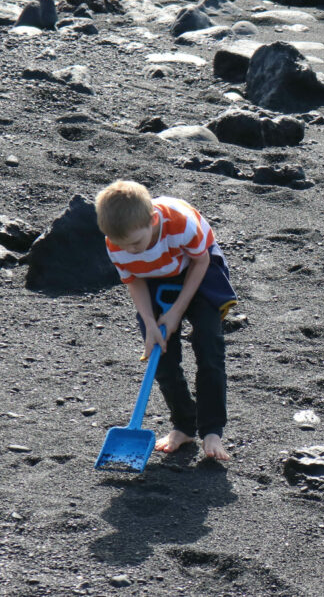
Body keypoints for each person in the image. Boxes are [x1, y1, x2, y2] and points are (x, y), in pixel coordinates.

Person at [95, 180, 238, 461]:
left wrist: (175, 312)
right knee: (160, 355)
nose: (132, 250)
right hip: (153, 277)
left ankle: (212, 430)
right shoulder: (118, 242)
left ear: (153, 219)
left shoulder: (181, 224)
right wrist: (150, 322)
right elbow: (133, 281)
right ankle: (184, 425)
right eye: (125, 246)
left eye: (136, 243)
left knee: (208, 347)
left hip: (197, 268)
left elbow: (201, 263)